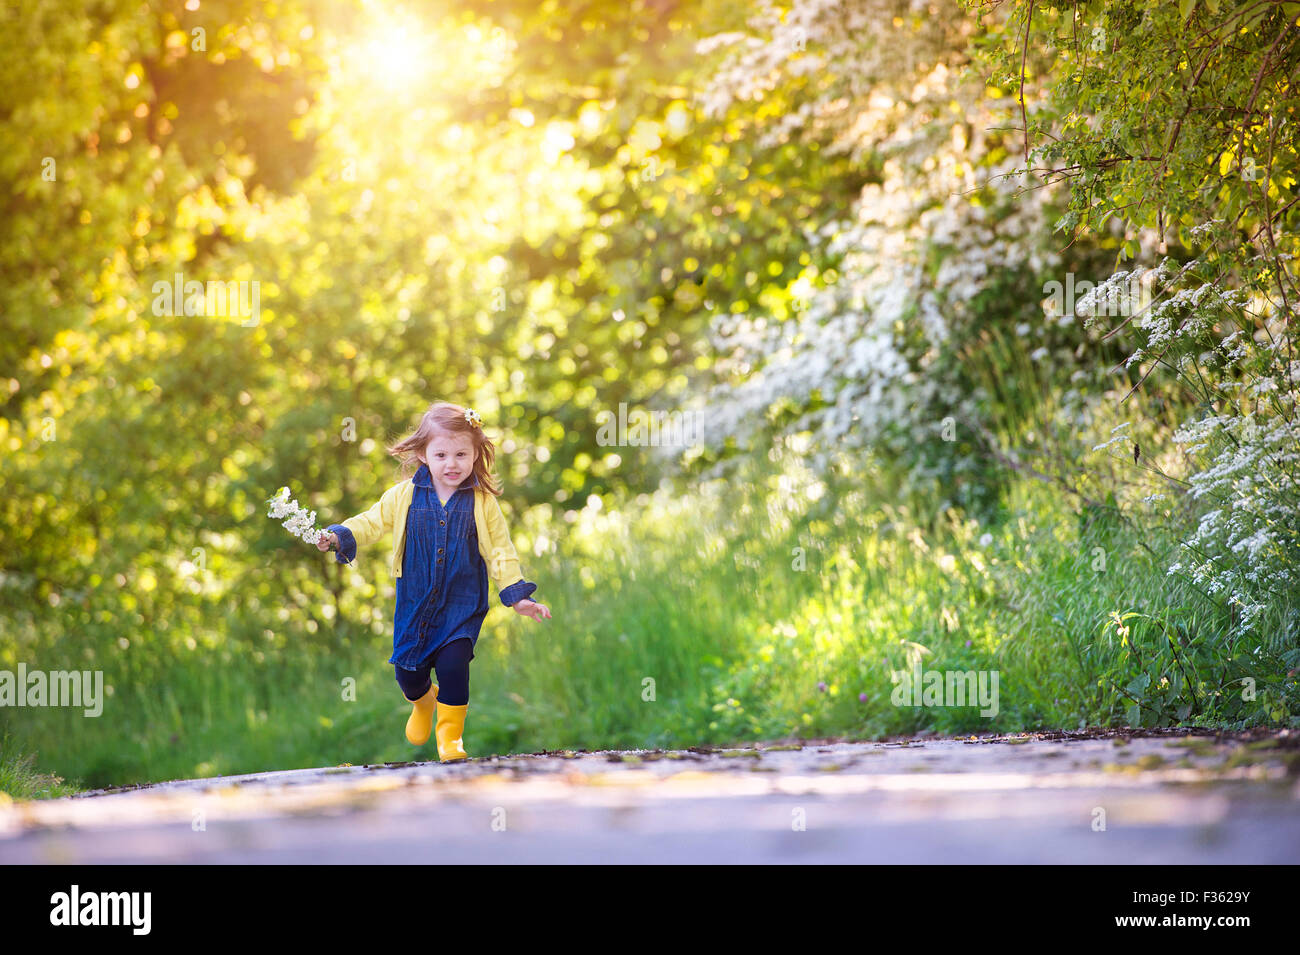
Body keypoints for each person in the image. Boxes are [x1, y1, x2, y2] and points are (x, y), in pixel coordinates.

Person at [317, 401, 551, 761]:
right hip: (415, 602)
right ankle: (424, 703)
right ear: (423, 455)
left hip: (461, 604)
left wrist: (517, 596)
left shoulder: (482, 502)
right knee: (408, 674)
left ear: (476, 455)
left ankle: (450, 736)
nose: (451, 463)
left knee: (454, 666)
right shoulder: (404, 496)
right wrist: (338, 535)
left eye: (461, 454)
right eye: (441, 454)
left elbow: (501, 551)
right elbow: (371, 522)